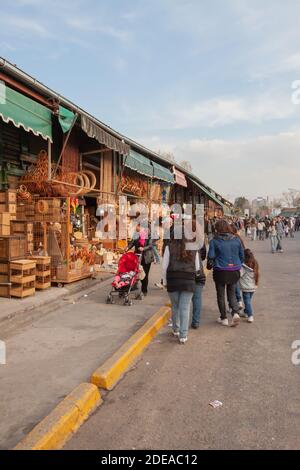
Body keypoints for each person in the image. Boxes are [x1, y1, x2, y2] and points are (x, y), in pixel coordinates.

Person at [162, 228, 199, 344]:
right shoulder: (193, 247)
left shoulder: (169, 247)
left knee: (175, 305)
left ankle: (176, 329)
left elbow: (164, 266)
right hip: (188, 280)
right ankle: (183, 335)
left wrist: (164, 282)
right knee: (185, 307)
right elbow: (197, 267)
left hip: (172, 279)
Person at [207, 219, 244, 327]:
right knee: (232, 293)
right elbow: (242, 255)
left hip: (220, 270)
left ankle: (223, 318)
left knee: (220, 295)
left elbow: (211, 256)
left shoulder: (214, 241)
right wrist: (237, 264)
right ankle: (235, 313)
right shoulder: (236, 239)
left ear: (217, 229)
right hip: (234, 270)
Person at [127, 223, 155, 295]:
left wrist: (143, 248)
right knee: (135, 272)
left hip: (146, 257)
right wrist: (127, 248)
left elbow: (151, 245)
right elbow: (132, 242)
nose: (139, 228)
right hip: (137, 256)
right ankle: (134, 285)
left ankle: (144, 290)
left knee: (144, 274)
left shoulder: (150, 236)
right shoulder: (136, 234)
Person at [240, 249, 259, 323]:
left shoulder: (243, 266)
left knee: (247, 302)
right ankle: (245, 312)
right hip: (253, 287)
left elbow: (240, 274)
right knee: (248, 301)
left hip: (246, 288)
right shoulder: (255, 263)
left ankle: (250, 315)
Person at [191, 243, 207, 329]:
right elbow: (204, 254)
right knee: (197, 298)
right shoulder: (199, 236)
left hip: (185, 273)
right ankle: (196, 322)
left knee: (183, 302)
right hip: (198, 274)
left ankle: (179, 327)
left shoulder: (180, 237)